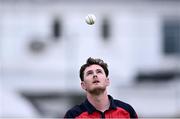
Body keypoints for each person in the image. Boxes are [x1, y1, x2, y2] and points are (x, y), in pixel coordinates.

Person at [64, 57, 138, 118]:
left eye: (99, 72)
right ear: (83, 85)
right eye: (89, 73)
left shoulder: (127, 110)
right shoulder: (73, 115)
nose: (95, 75)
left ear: (107, 81)